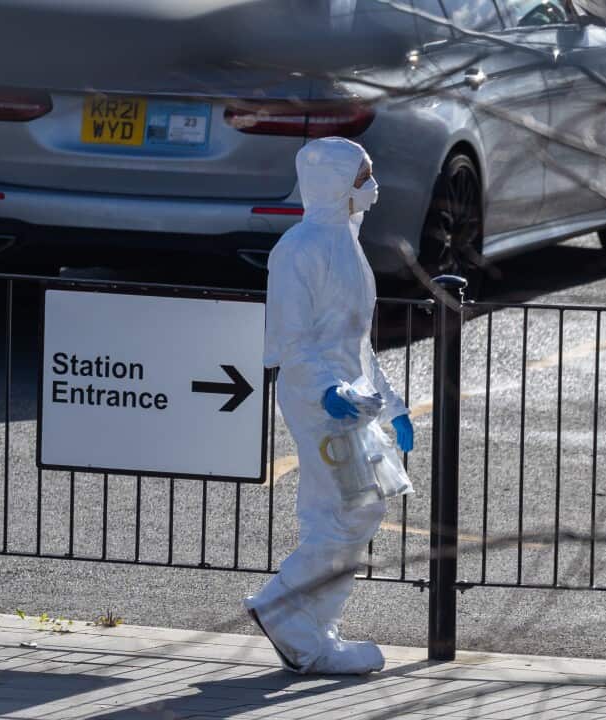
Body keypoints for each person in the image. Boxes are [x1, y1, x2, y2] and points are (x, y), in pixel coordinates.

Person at [244, 136, 414, 675]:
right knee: (350, 511)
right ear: (338, 185)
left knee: (348, 511)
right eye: (363, 176)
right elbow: (292, 341)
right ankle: (288, 611)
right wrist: (326, 390)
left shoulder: (345, 244)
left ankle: (313, 629)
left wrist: (391, 405)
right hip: (321, 401)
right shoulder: (299, 249)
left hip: (349, 399)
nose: (371, 187)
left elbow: (356, 344)